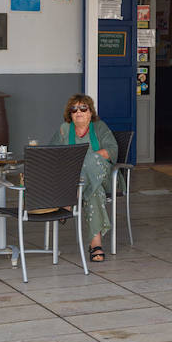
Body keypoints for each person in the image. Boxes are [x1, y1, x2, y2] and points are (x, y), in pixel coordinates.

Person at [52, 93, 118, 263]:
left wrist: (86, 160)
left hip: (104, 176)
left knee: (88, 158)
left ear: (90, 112)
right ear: (70, 113)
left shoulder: (99, 127)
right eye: (74, 109)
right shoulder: (64, 129)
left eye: (83, 108)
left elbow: (111, 150)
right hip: (84, 184)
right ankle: (96, 245)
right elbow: (52, 153)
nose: (78, 112)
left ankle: (68, 202)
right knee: (94, 192)